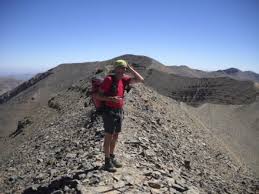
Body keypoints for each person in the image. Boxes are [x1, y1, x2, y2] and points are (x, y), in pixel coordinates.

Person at [96, 59, 144, 172]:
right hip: (109, 111)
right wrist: (110, 98)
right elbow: (98, 96)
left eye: (124, 68)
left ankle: (112, 157)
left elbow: (140, 79)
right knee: (108, 136)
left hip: (119, 110)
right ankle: (107, 162)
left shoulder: (124, 79)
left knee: (116, 136)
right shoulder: (109, 79)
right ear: (115, 68)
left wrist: (131, 68)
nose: (122, 70)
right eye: (120, 68)